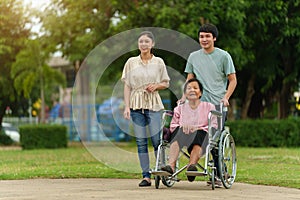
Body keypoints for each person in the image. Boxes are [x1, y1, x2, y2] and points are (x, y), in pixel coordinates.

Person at [182, 23, 237, 186]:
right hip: (197, 105)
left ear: (214, 38)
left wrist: (226, 97)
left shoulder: (224, 56)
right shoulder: (193, 57)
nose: (204, 39)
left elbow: (233, 80)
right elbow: (189, 80)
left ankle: (221, 173)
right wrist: (184, 97)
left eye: (207, 36)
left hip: (218, 105)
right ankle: (193, 164)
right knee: (192, 134)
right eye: (201, 36)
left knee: (213, 139)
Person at [121, 31, 170, 187]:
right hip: (136, 105)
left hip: (153, 104)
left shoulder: (159, 62)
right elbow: (127, 85)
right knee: (141, 142)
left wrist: (156, 86)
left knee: (157, 140)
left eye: (146, 42)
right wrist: (127, 106)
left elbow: (166, 83)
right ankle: (146, 176)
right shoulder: (131, 62)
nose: (143, 44)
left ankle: (161, 169)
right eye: (141, 41)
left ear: (152, 44)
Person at [161, 78, 217, 182]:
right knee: (176, 133)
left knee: (200, 134)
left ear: (200, 93)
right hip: (183, 135)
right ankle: (171, 167)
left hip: (201, 136)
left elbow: (213, 125)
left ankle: (192, 166)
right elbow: (173, 125)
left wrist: (197, 128)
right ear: (185, 94)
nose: (192, 90)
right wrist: (182, 127)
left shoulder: (209, 107)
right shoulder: (180, 108)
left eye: (195, 88)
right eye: (189, 88)